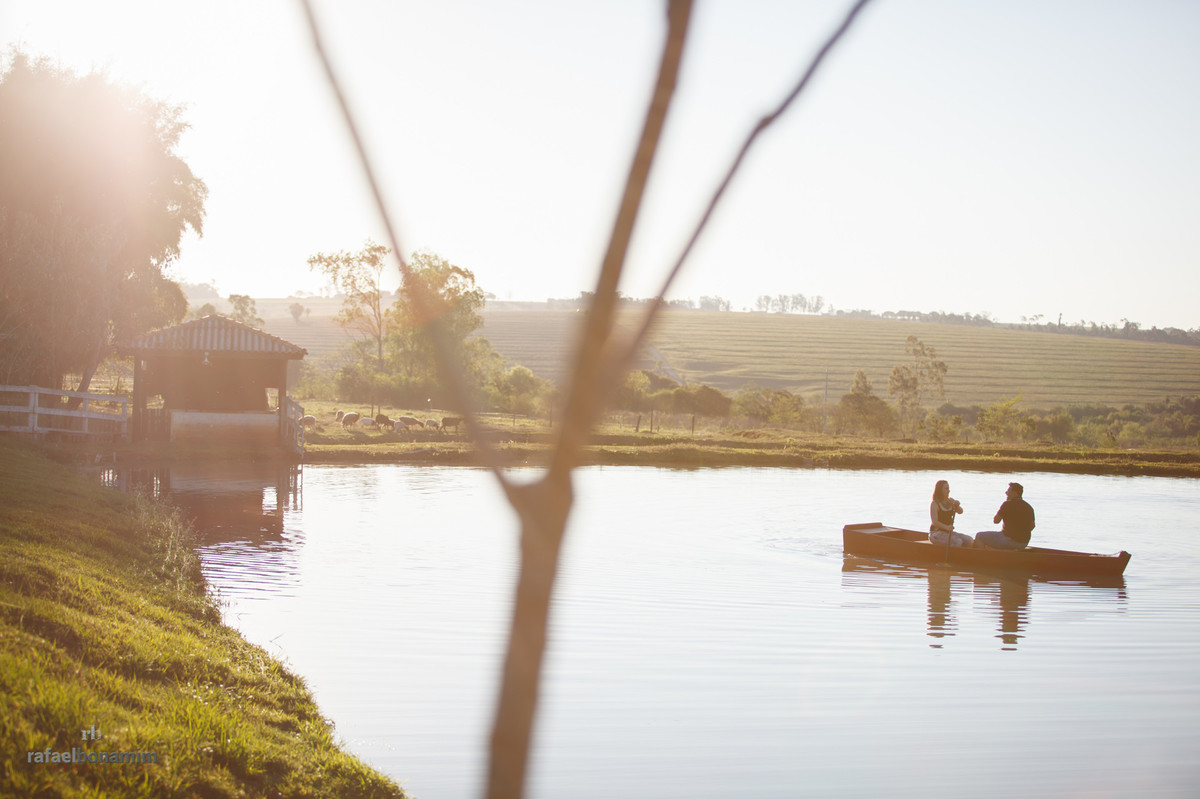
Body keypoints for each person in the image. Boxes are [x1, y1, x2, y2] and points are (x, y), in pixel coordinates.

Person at [974, 482, 1035, 550]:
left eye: (1008, 491)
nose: (1006, 493)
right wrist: (1019, 533)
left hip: (1009, 541)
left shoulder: (1007, 504)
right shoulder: (1029, 507)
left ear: (1015, 493)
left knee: (979, 536)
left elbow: (996, 521)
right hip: (1023, 543)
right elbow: (1032, 526)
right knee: (1000, 538)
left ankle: (980, 556)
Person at [929, 479, 972, 548]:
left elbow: (960, 512)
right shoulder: (934, 504)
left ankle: (965, 554)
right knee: (958, 541)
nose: (948, 490)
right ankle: (955, 554)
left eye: (948, 488)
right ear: (940, 490)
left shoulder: (950, 500)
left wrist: (957, 505)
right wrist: (947, 527)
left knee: (969, 540)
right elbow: (935, 522)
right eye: (946, 488)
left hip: (948, 532)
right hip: (936, 534)